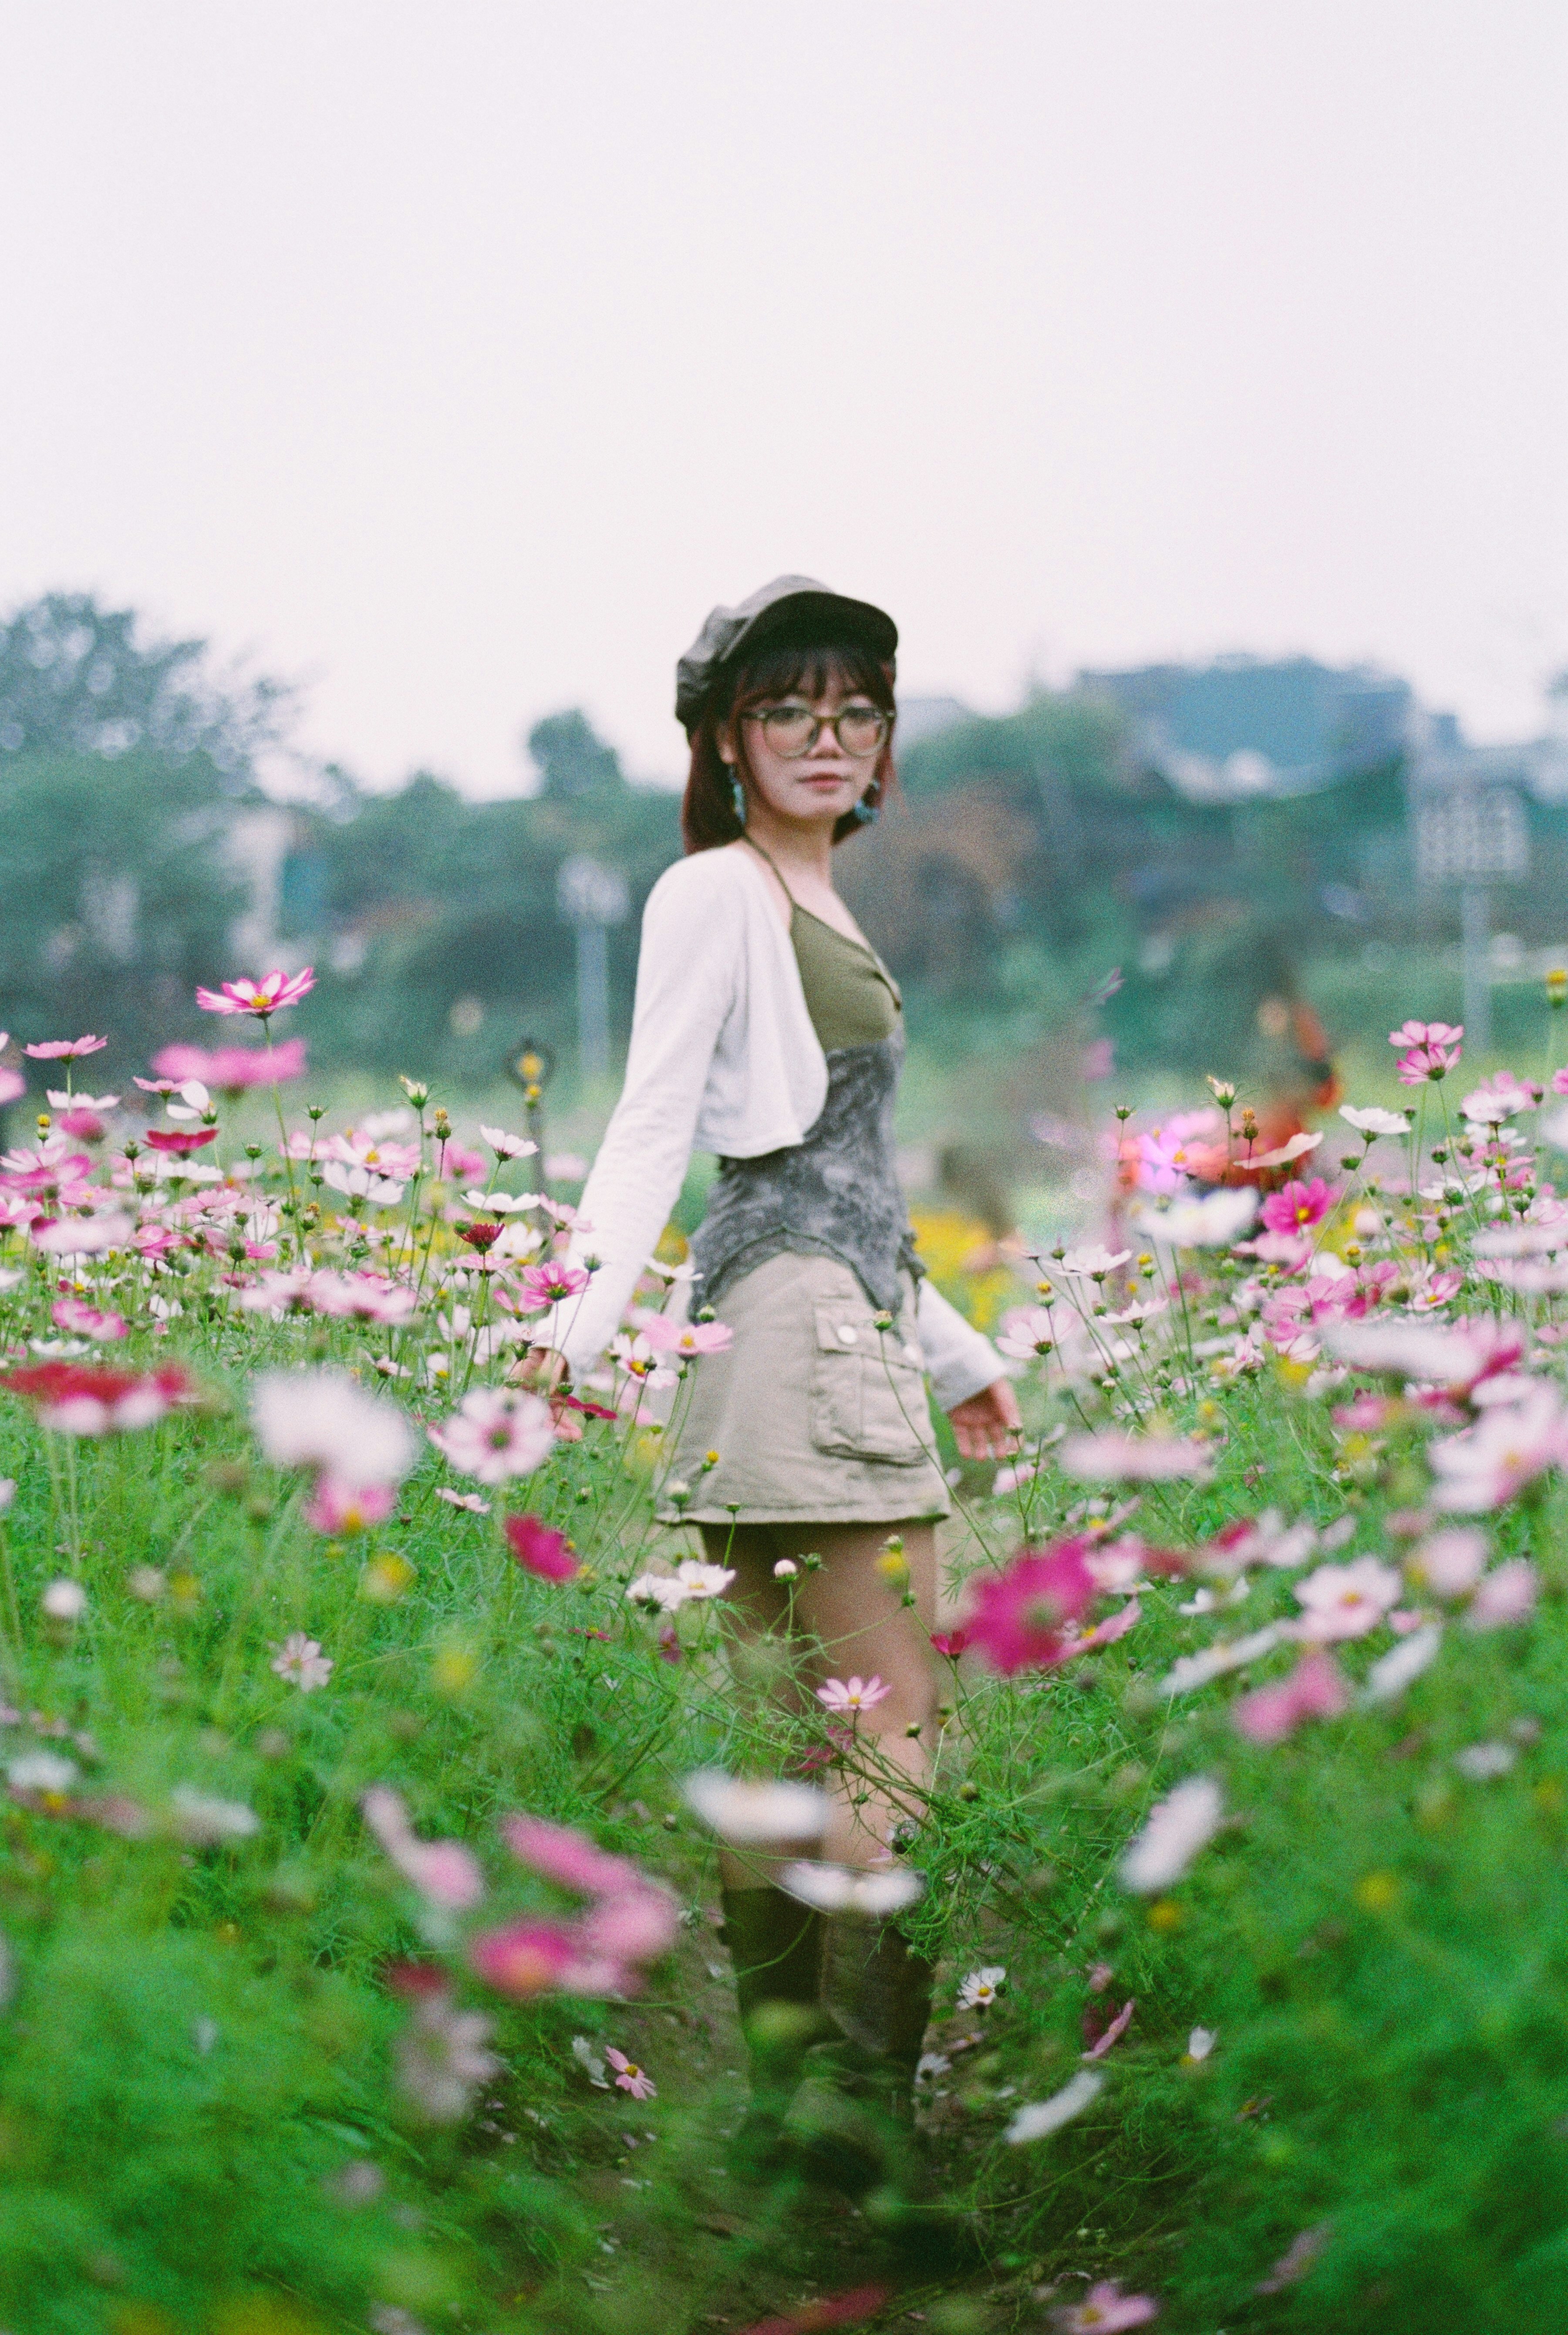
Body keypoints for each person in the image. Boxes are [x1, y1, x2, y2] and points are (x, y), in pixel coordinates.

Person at [526, 577, 1021, 2190]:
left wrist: (953, 1352)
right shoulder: (715, 894)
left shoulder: (820, 904)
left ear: (884, 742)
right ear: (725, 736)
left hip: (793, 1323)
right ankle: (862, 2134)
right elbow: (659, 1122)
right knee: (892, 1731)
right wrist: (581, 1316)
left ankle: (786, 2123)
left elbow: (825, 1166)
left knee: (788, 1738)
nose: (828, 735)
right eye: (789, 707)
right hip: (797, 1335)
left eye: (856, 708)